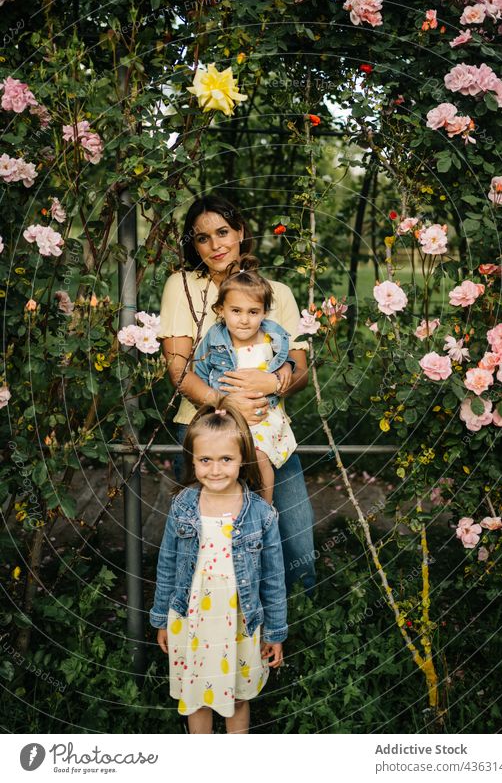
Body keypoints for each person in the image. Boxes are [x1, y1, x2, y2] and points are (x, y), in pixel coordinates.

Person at [157, 194, 315, 592]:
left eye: (223, 232)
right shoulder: (183, 287)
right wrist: (221, 400)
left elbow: (299, 365)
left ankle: (294, 635)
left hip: (270, 430)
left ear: (240, 232)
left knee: (295, 537)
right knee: (215, 544)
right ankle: (215, 635)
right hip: (207, 432)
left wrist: (274, 381)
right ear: (193, 246)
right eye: (202, 238)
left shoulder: (274, 291)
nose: (215, 245)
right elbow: (177, 369)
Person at [149, 403, 287, 734]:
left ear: (242, 459)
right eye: (205, 460)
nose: (215, 470)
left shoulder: (261, 515)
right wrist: (161, 619)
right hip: (192, 620)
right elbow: (167, 564)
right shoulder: (183, 506)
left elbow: (273, 579)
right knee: (196, 695)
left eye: (226, 459)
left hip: (239, 621)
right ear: (192, 460)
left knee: (237, 696)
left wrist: (275, 633)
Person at [193, 255, 297, 505]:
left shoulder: (272, 335)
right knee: (226, 459)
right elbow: (199, 371)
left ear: (263, 312)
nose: (244, 319)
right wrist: (217, 404)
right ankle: (232, 509)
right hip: (228, 415)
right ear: (221, 310)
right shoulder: (214, 339)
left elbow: (285, 357)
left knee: (257, 455)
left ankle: (264, 509)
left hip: (264, 414)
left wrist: (285, 368)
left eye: (253, 312)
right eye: (236, 311)